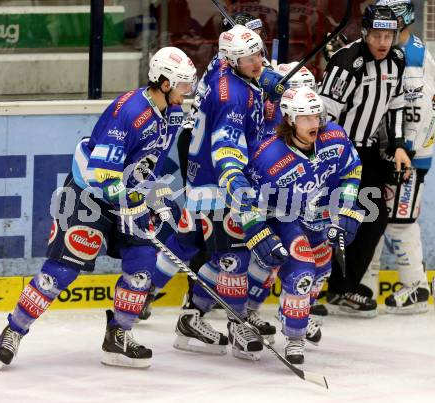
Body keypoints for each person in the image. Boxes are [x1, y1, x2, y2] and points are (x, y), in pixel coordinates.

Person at [0, 47, 197, 370]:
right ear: (163, 82)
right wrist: (128, 200)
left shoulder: (171, 114)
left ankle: (118, 337)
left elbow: (146, 163)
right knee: (59, 272)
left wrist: (152, 198)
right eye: (184, 84)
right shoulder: (131, 112)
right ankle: (13, 330)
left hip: (128, 196)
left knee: (143, 266)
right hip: (90, 197)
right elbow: (101, 173)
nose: (189, 91)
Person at [153, 24, 289, 361]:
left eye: (259, 53)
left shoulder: (221, 66)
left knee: (206, 252)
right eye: (248, 58)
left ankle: (191, 317)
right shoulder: (233, 97)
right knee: (234, 258)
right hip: (218, 185)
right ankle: (237, 323)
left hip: (210, 177)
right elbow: (226, 149)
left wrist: (265, 79)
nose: (257, 61)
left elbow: (248, 70)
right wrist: (237, 184)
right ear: (232, 60)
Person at [247, 86, 363, 363]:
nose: (316, 123)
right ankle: (293, 338)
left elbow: (351, 171)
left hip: (319, 217)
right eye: (307, 118)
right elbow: (246, 200)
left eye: (317, 116)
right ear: (289, 119)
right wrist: (258, 231)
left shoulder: (333, 136)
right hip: (284, 219)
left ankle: (291, 312)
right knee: (302, 274)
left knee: (321, 270)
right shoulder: (267, 157)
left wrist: (347, 209)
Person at [318, 4, 411, 317]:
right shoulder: (347, 62)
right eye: (378, 35)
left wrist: (398, 145)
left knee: (373, 219)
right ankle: (311, 290)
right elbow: (323, 114)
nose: (384, 42)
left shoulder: (397, 60)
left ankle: (343, 287)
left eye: (390, 35)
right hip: (336, 154)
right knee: (325, 221)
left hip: (367, 152)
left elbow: (396, 107)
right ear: (366, 33)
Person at [359, 0, 435, 314]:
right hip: (389, 153)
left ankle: (415, 287)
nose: (382, 34)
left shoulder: (413, 56)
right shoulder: (395, 53)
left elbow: (423, 110)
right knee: (373, 217)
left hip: (409, 157)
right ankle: (366, 286)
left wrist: (409, 151)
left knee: (401, 221)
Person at [246, 62, 326, 345]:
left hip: (302, 205)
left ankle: (297, 311)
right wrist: (255, 223)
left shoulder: (323, 132)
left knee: (318, 263)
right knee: (263, 260)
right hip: (268, 204)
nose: (312, 119)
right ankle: (246, 311)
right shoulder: (270, 134)